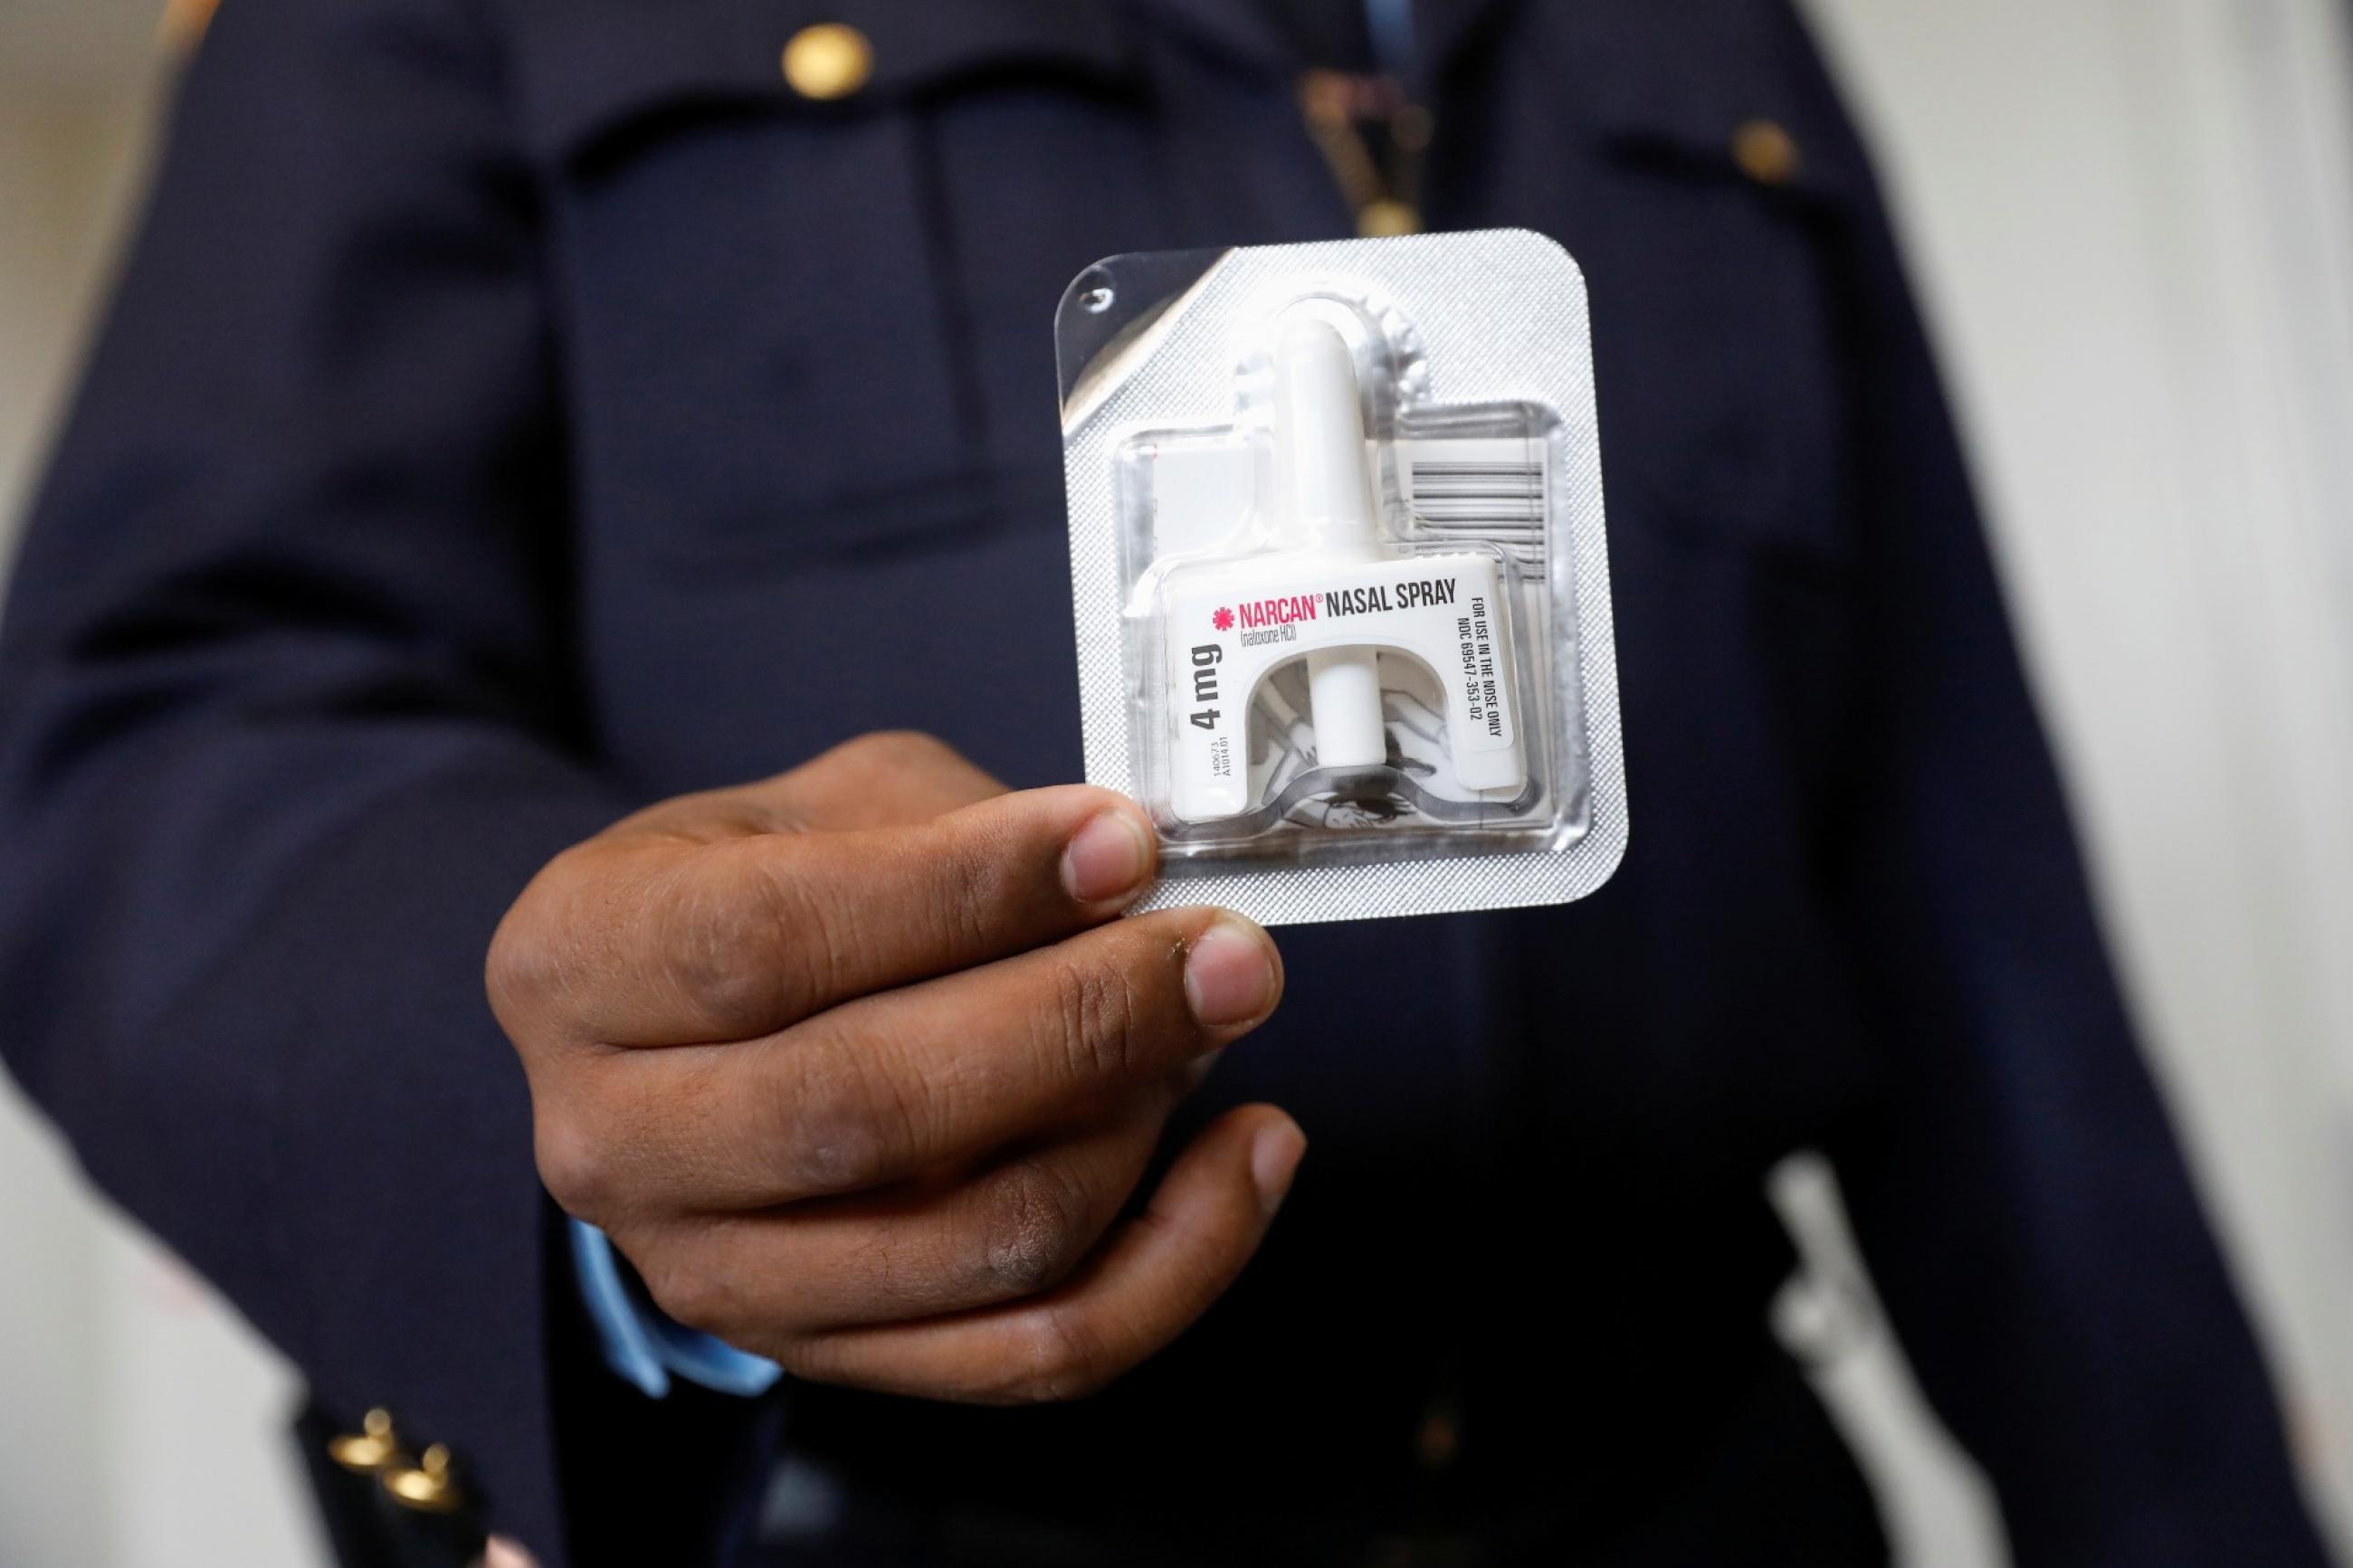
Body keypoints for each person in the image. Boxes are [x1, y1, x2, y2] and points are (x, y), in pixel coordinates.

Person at [0, 0, 2329, 1564]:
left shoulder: (1713, 28)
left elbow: (1969, 908)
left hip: (1699, 1494)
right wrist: (591, 1097)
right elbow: (145, 724)